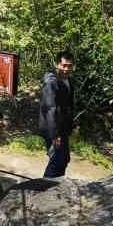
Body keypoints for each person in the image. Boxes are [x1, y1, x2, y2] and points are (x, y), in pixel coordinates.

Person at [39, 50, 75, 178]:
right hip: (53, 129)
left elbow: (68, 105)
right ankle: (43, 190)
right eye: (63, 65)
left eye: (69, 66)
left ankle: (57, 187)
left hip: (63, 128)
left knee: (64, 159)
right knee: (56, 160)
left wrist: (72, 125)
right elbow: (50, 109)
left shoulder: (69, 80)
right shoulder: (51, 82)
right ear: (57, 64)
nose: (66, 69)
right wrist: (55, 135)